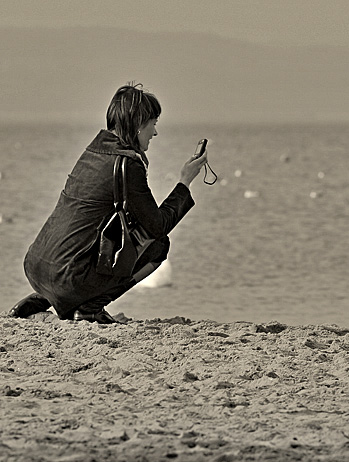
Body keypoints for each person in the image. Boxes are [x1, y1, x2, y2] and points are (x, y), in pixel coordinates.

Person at [6, 82, 209, 324]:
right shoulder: (126, 164)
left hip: (36, 266)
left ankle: (45, 297)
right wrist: (184, 182)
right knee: (158, 245)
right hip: (69, 276)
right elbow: (157, 226)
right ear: (137, 125)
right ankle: (91, 307)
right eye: (153, 124)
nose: (154, 133)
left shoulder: (92, 152)